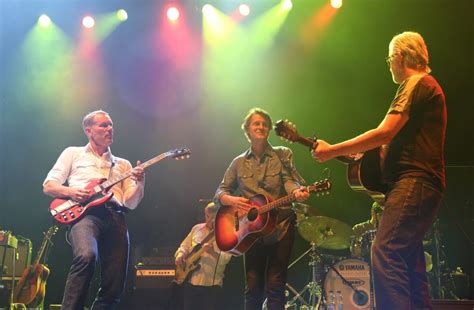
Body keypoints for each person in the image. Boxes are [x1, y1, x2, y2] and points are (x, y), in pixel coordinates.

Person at [312, 31, 446, 309]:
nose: (389, 65)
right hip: (424, 184)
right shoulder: (428, 86)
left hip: (414, 182)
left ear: (399, 56)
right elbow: (392, 142)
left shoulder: (415, 83)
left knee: (385, 253)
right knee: (410, 263)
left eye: (389, 58)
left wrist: (332, 149)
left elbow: (384, 132)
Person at [43, 110, 145, 310]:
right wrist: (72, 192)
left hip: (115, 216)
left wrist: (140, 182)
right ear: (89, 131)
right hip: (85, 215)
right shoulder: (73, 153)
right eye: (103, 125)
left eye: (111, 125)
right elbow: (49, 186)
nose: (110, 129)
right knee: (86, 255)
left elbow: (130, 203)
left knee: (115, 281)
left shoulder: (123, 164)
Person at [214, 108, 310, 310]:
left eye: (265, 124)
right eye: (256, 123)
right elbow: (220, 193)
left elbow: (289, 181)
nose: (261, 127)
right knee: (252, 286)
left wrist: (298, 191)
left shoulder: (283, 154)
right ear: (247, 130)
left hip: (281, 227)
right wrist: (231, 200)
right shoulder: (238, 162)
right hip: (250, 233)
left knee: (276, 285)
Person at [174, 202, 232, 310]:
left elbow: (226, 258)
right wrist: (180, 255)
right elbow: (184, 246)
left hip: (212, 285)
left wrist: (212, 252)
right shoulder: (196, 229)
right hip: (191, 282)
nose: (209, 220)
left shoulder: (226, 233)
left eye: (213, 217)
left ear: (219, 217)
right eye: (207, 216)